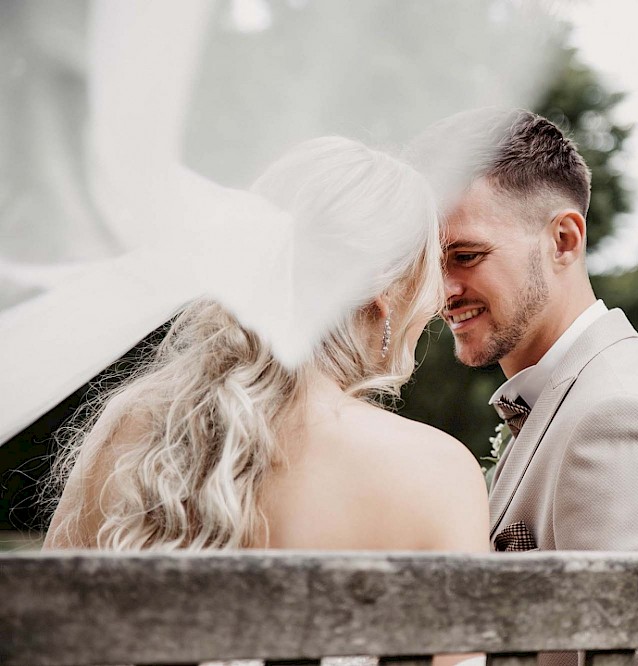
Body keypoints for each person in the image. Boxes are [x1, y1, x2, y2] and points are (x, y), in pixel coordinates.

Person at [44, 137, 489, 597]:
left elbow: (48, 625)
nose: (436, 300)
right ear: (383, 286)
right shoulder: (437, 471)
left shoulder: (135, 426)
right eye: (431, 270)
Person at [415, 109, 638, 666]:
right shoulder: (578, 397)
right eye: (431, 263)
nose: (441, 291)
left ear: (563, 239)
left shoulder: (623, 422)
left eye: (465, 257)